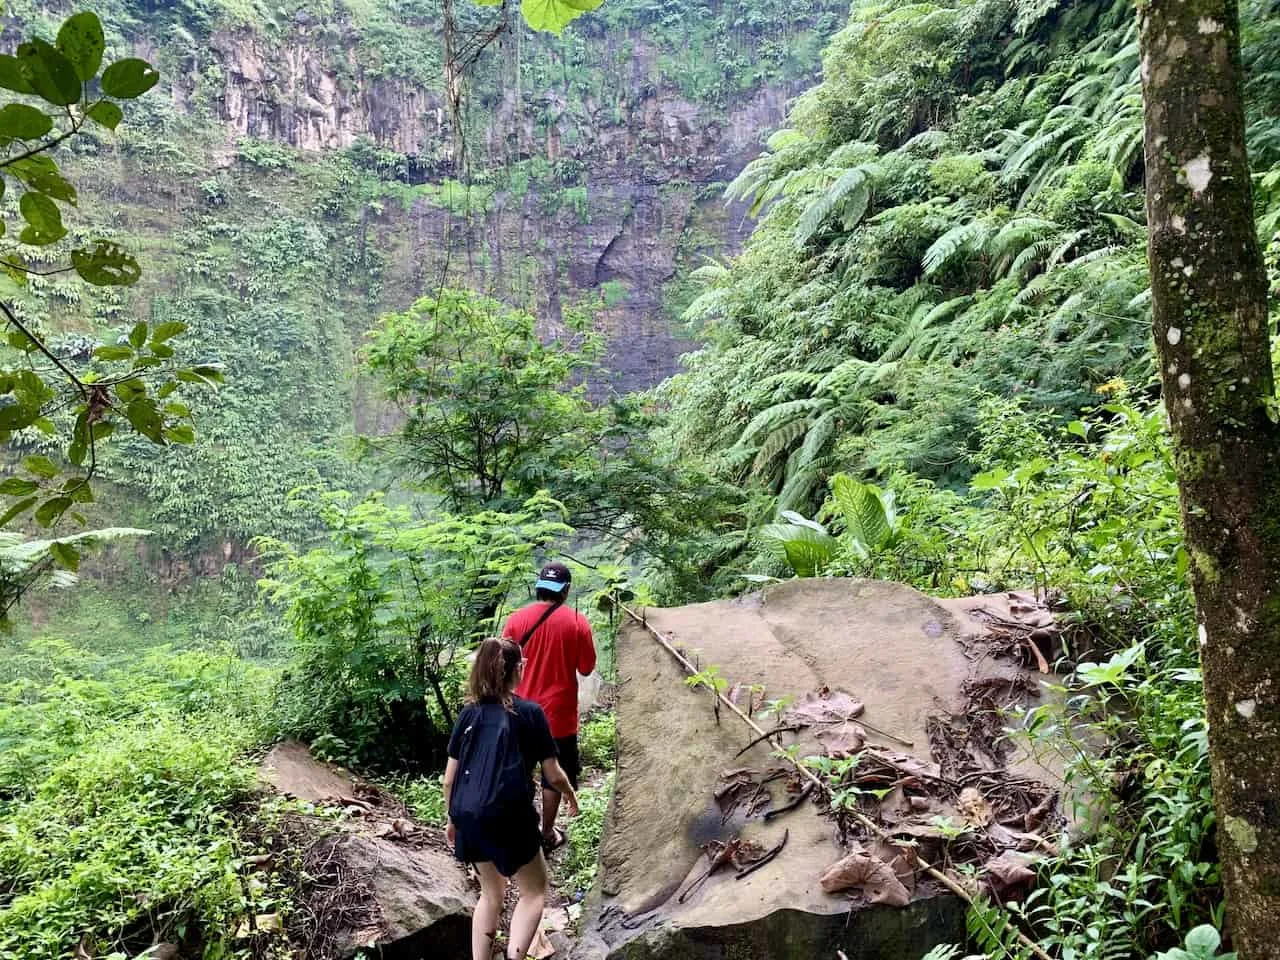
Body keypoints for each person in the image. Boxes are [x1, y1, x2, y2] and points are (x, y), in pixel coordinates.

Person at [444, 637, 579, 960]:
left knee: (490, 894)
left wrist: (452, 818)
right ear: (517, 670)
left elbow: (449, 778)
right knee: (533, 891)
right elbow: (554, 772)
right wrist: (570, 795)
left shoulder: (468, 715)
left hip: (468, 815)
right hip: (509, 816)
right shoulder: (530, 713)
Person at [502, 561, 596, 854]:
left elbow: (501, 663)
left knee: (517, 769)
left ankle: (517, 828)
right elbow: (587, 666)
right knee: (554, 773)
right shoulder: (577, 622)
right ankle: (547, 832)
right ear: (566, 591)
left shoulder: (516, 620)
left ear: (539, 587)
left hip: (517, 711)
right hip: (558, 714)